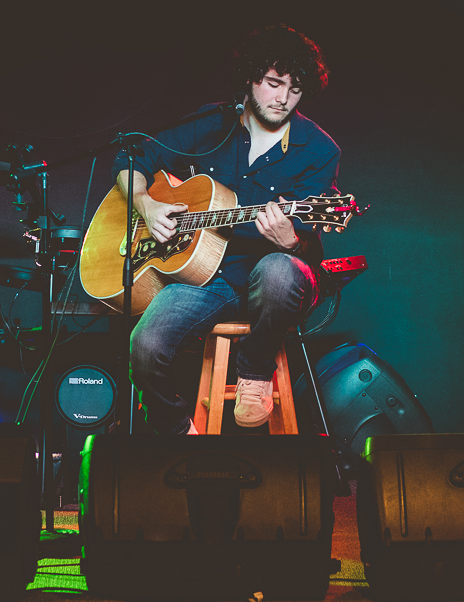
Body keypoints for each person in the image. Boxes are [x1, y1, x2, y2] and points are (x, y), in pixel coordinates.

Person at [113, 24, 341, 434]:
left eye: (295, 89)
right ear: (251, 78)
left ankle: (255, 370)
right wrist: (146, 206)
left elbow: (308, 242)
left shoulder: (320, 149)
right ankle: (180, 434)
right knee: (144, 347)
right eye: (273, 83)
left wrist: (292, 240)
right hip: (204, 279)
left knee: (279, 271)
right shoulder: (212, 123)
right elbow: (134, 158)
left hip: (272, 280)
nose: (283, 98)